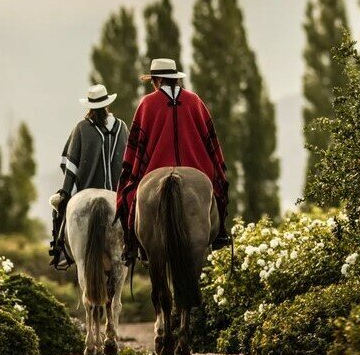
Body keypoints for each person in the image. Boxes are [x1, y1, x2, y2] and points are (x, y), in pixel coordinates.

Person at [115, 58, 232, 266]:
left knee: (130, 196)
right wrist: (216, 171)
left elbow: (136, 147)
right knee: (218, 191)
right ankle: (220, 234)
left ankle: (131, 244)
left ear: (157, 80)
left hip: (155, 168)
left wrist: (131, 176)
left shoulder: (147, 103)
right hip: (196, 166)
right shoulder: (194, 101)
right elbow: (211, 141)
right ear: (175, 78)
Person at [49, 84, 128, 269]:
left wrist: (65, 191)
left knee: (59, 207)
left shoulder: (82, 127)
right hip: (117, 191)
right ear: (107, 104)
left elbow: (69, 164)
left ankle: (60, 250)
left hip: (86, 188)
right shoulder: (122, 127)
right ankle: (136, 248)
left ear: (90, 106)